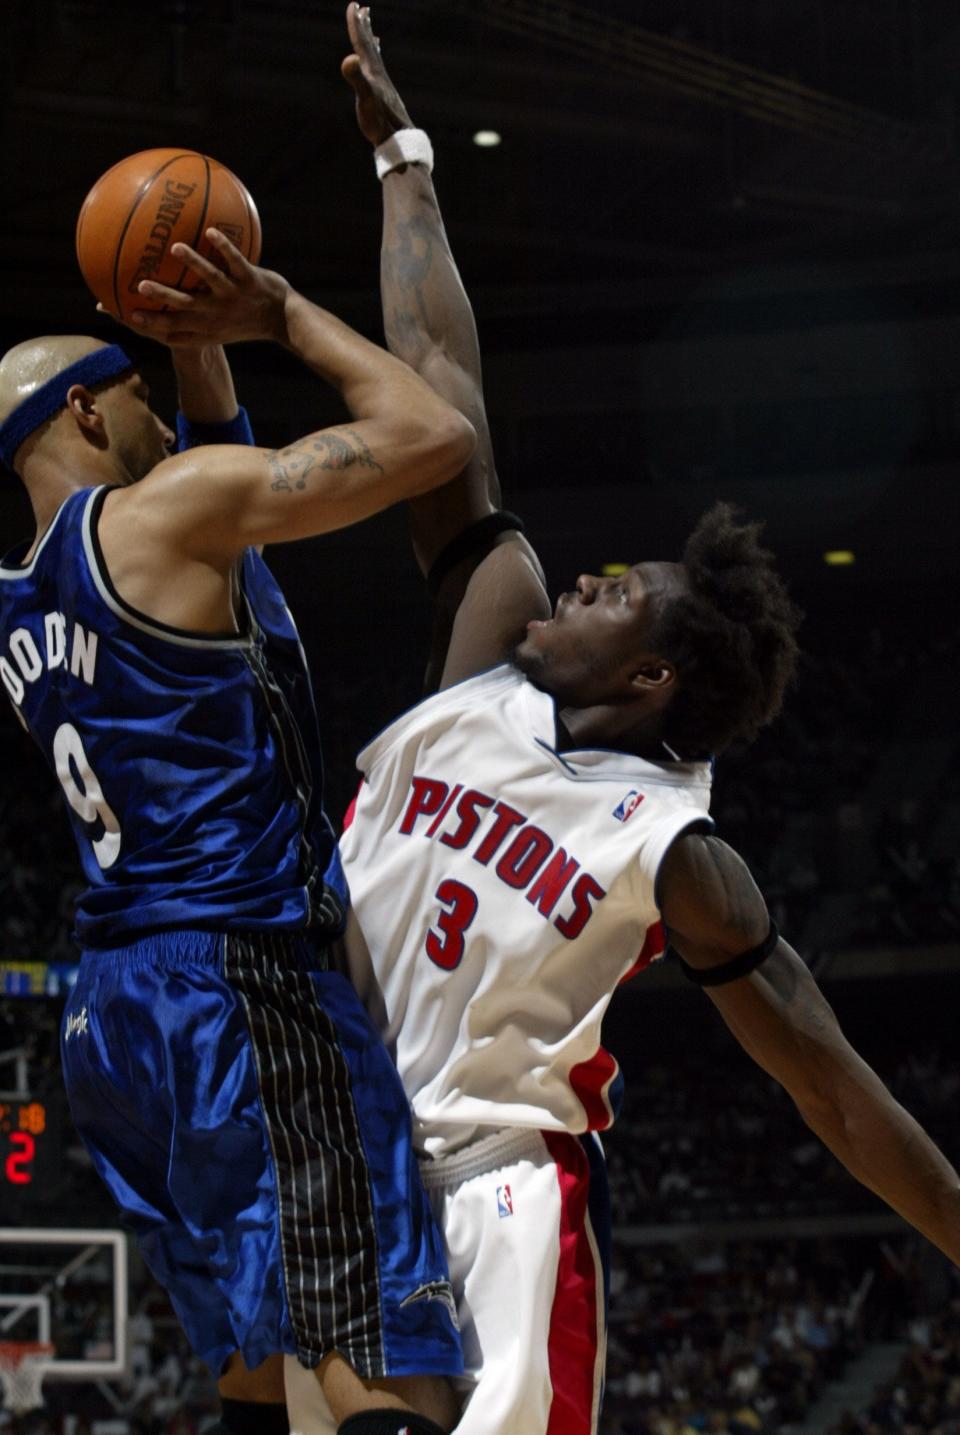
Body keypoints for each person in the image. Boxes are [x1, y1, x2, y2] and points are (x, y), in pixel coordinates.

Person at [291, 8, 960, 1434]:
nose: (582, 580)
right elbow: (446, 400)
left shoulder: (676, 844)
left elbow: (831, 1087)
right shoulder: (489, 651)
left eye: (617, 592)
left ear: (654, 677)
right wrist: (403, 156)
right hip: (339, 1175)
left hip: (494, 1203)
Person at [0, 230, 478, 1435]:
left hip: (114, 1014)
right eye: (139, 393)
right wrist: (275, 307)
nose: (163, 413)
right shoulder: (175, 516)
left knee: (260, 1367)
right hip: (239, 980)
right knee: (378, 1349)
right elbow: (434, 438)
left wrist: (193, 345)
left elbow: (221, 464)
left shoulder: (22, 603)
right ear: (86, 415)